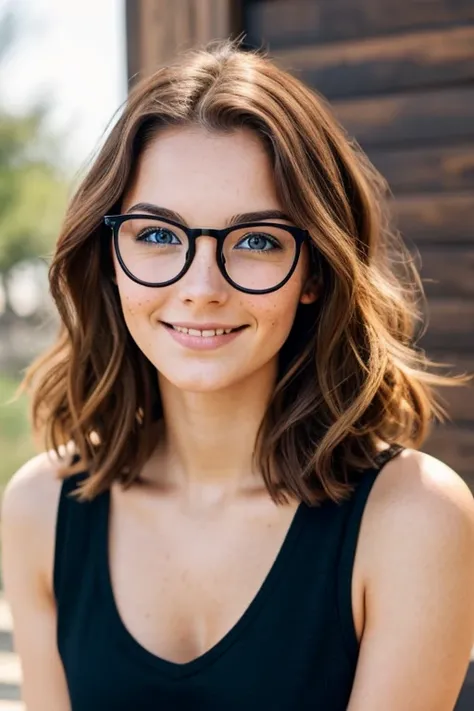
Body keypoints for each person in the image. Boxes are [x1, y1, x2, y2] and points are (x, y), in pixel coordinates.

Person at [2, 38, 474, 711]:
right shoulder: (39, 508)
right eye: (158, 234)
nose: (201, 287)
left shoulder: (415, 519)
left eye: (255, 240)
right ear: (109, 254)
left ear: (313, 270)